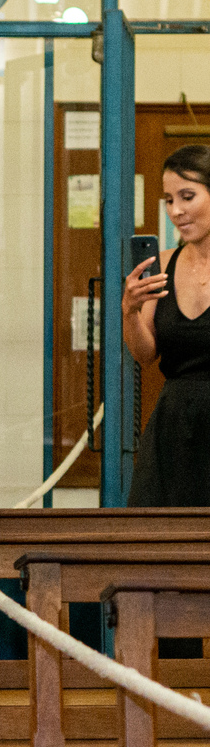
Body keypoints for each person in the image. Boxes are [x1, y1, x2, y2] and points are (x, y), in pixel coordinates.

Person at [124, 142, 210, 506]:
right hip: (174, 430)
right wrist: (129, 309)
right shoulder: (162, 264)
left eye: (187, 196)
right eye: (169, 200)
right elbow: (146, 354)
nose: (176, 211)